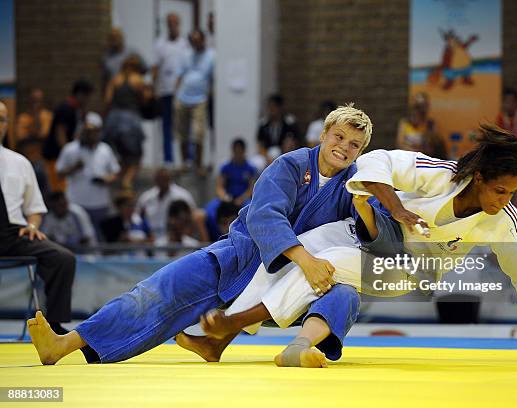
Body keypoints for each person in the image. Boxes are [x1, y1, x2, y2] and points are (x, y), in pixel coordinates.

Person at [195, 124, 517, 367]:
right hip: (377, 232)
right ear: (479, 179)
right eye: (499, 189)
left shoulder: (502, 222)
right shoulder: (442, 176)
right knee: (299, 247)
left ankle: (230, 323)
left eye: (512, 193)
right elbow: (379, 161)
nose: (505, 200)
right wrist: (398, 207)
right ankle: (222, 337)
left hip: (406, 271)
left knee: (327, 262)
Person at [27, 104, 372, 367]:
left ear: (361, 152)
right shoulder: (292, 165)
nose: (343, 147)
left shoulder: (355, 184)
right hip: (238, 259)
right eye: (338, 137)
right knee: (156, 291)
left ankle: (299, 348)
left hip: (287, 286)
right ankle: (64, 344)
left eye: (354, 145)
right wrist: (306, 259)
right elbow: (265, 216)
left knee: (345, 293)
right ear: (325, 134)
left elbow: (370, 233)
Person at [0, 101, 98, 362]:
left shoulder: (19, 163)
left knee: (62, 259)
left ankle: (54, 327)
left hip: (14, 233)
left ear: (7, 125)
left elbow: (35, 207)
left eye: (2, 119)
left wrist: (32, 225)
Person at [55, 112, 120, 241]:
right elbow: (59, 174)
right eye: (87, 130)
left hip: (100, 205)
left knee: (99, 241)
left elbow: (115, 172)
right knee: (79, 240)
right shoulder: (70, 149)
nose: (90, 134)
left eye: (93, 131)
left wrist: (106, 179)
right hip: (76, 204)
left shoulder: (105, 149)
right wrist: (74, 168)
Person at [104, 55, 149, 189]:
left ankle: (121, 181)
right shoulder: (138, 80)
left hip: (113, 120)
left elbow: (107, 100)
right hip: (131, 119)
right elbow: (146, 99)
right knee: (136, 157)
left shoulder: (115, 80)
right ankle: (127, 181)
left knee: (122, 155)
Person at [174, 29, 215, 171]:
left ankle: (198, 164)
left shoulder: (211, 55)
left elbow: (213, 78)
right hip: (182, 97)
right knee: (182, 132)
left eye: (198, 41)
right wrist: (175, 95)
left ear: (203, 40)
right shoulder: (186, 55)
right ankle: (185, 163)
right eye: (193, 41)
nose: (195, 44)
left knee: (198, 133)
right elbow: (179, 75)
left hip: (200, 99)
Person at [43, 80, 94, 192]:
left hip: (60, 156)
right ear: (80, 94)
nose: (88, 100)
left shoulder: (77, 110)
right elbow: (60, 133)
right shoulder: (66, 109)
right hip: (55, 156)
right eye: (87, 96)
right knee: (57, 190)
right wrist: (68, 154)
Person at [152, 13, 189, 166]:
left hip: (183, 94)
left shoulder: (185, 44)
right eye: (169, 23)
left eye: (175, 23)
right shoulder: (160, 44)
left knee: (183, 127)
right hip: (165, 92)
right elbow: (155, 67)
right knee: (167, 126)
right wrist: (154, 89)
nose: (172, 26)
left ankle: (187, 159)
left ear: (179, 24)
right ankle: (168, 159)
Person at [135, 168, 199, 238]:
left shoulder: (182, 195)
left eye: (164, 179)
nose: (161, 182)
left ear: (169, 179)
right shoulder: (146, 197)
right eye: (159, 179)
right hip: (151, 239)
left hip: (174, 239)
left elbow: (193, 218)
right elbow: (138, 218)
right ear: (155, 180)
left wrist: (184, 238)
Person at [215, 138, 257, 206]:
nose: (237, 154)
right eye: (236, 151)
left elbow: (252, 189)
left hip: (244, 199)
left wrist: (242, 198)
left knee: (251, 208)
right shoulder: (225, 168)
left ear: (244, 151)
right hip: (228, 197)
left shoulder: (250, 169)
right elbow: (219, 187)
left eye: (240, 151)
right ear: (232, 151)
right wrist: (224, 196)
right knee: (211, 209)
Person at [102, 27, 146, 91]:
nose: (115, 39)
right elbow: (105, 79)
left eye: (117, 36)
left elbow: (145, 69)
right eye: (112, 37)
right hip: (115, 93)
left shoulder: (132, 52)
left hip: (132, 92)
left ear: (122, 38)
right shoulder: (106, 57)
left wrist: (134, 78)